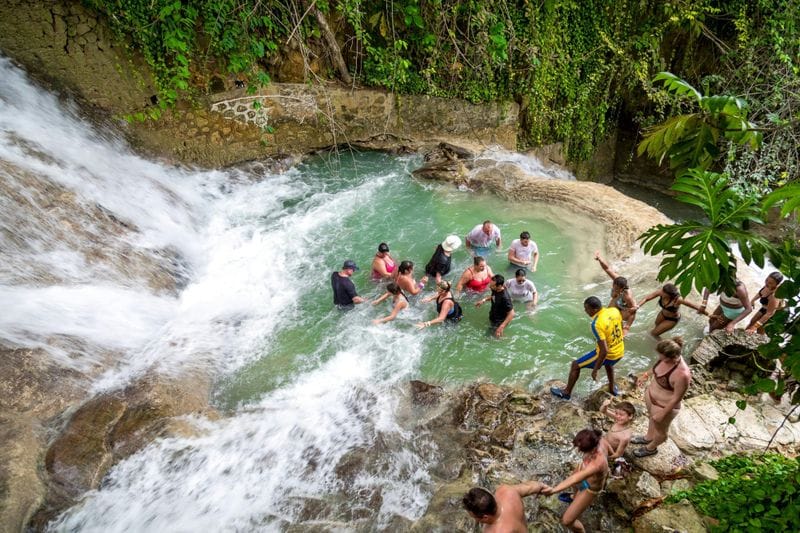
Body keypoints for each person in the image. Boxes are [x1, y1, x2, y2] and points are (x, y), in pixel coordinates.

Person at [551, 296, 624, 400]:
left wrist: (595, 369)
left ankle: (566, 393)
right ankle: (612, 388)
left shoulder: (597, 324)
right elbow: (620, 326)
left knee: (575, 365)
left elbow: (604, 351)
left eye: (587, 309)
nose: (585, 311)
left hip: (609, 354)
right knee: (609, 365)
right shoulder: (614, 311)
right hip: (620, 351)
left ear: (594, 309)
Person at [541, 429, 609, 533]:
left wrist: (554, 490)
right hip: (583, 470)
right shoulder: (596, 439)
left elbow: (575, 478)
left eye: (581, 449)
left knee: (567, 521)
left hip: (589, 488)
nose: (578, 451)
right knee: (574, 482)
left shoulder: (597, 463)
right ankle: (574, 497)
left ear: (593, 448)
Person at [632, 337, 690, 457]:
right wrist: (646, 375)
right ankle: (648, 437)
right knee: (651, 419)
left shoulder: (682, 374)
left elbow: (677, 398)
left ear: (672, 357)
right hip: (651, 396)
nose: (659, 359)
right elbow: (655, 368)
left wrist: (663, 413)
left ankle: (651, 448)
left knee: (661, 431)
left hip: (664, 406)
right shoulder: (664, 359)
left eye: (662, 357)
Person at [462, 481, 546, 532]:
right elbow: (531, 487)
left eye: (473, 517)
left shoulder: (497, 531)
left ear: (485, 517)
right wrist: (544, 487)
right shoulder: (506, 491)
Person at [637, 283, 707, 337]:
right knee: (655, 328)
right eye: (662, 291)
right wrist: (637, 306)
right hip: (662, 314)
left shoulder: (678, 300)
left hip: (672, 319)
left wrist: (710, 315)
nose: (661, 293)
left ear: (669, 295)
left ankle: (666, 347)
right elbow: (646, 298)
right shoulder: (661, 292)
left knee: (653, 334)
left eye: (664, 292)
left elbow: (695, 306)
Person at [594, 251, 637, 335]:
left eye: (617, 289)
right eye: (614, 287)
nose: (614, 289)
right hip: (617, 302)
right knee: (607, 316)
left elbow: (633, 312)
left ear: (622, 288)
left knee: (617, 324)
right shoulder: (617, 280)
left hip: (625, 310)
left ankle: (619, 335)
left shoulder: (627, 296)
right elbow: (607, 269)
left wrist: (627, 326)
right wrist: (600, 259)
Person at [599, 398, 635, 474]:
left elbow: (618, 454)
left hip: (608, 452)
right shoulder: (619, 420)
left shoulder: (625, 436)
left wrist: (605, 457)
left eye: (621, 415)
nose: (617, 416)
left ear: (630, 416)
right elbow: (603, 411)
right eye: (616, 413)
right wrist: (605, 405)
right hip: (603, 444)